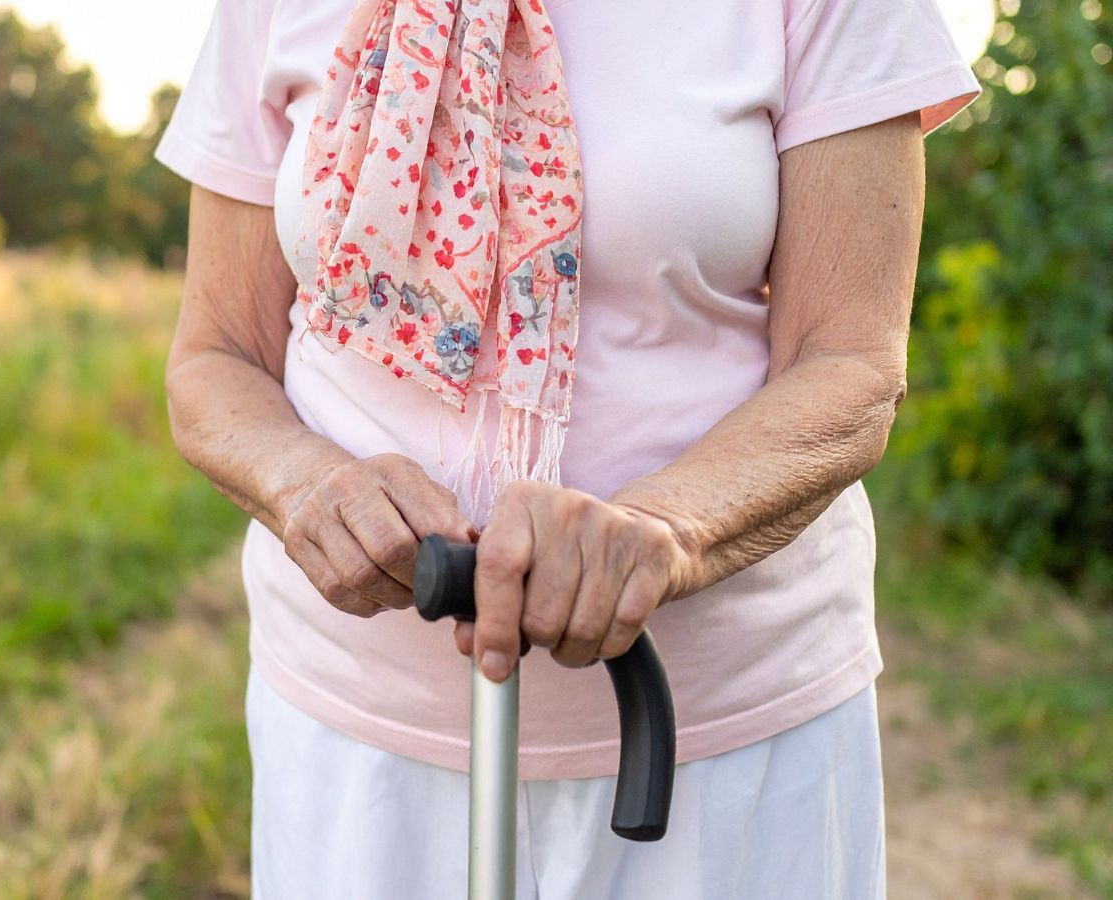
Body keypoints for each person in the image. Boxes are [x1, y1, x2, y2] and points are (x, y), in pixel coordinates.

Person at [155, 0, 979, 895]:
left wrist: (668, 527)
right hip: (355, 732)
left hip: (710, 734)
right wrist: (303, 482)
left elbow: (849, 364)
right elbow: (215, 355)